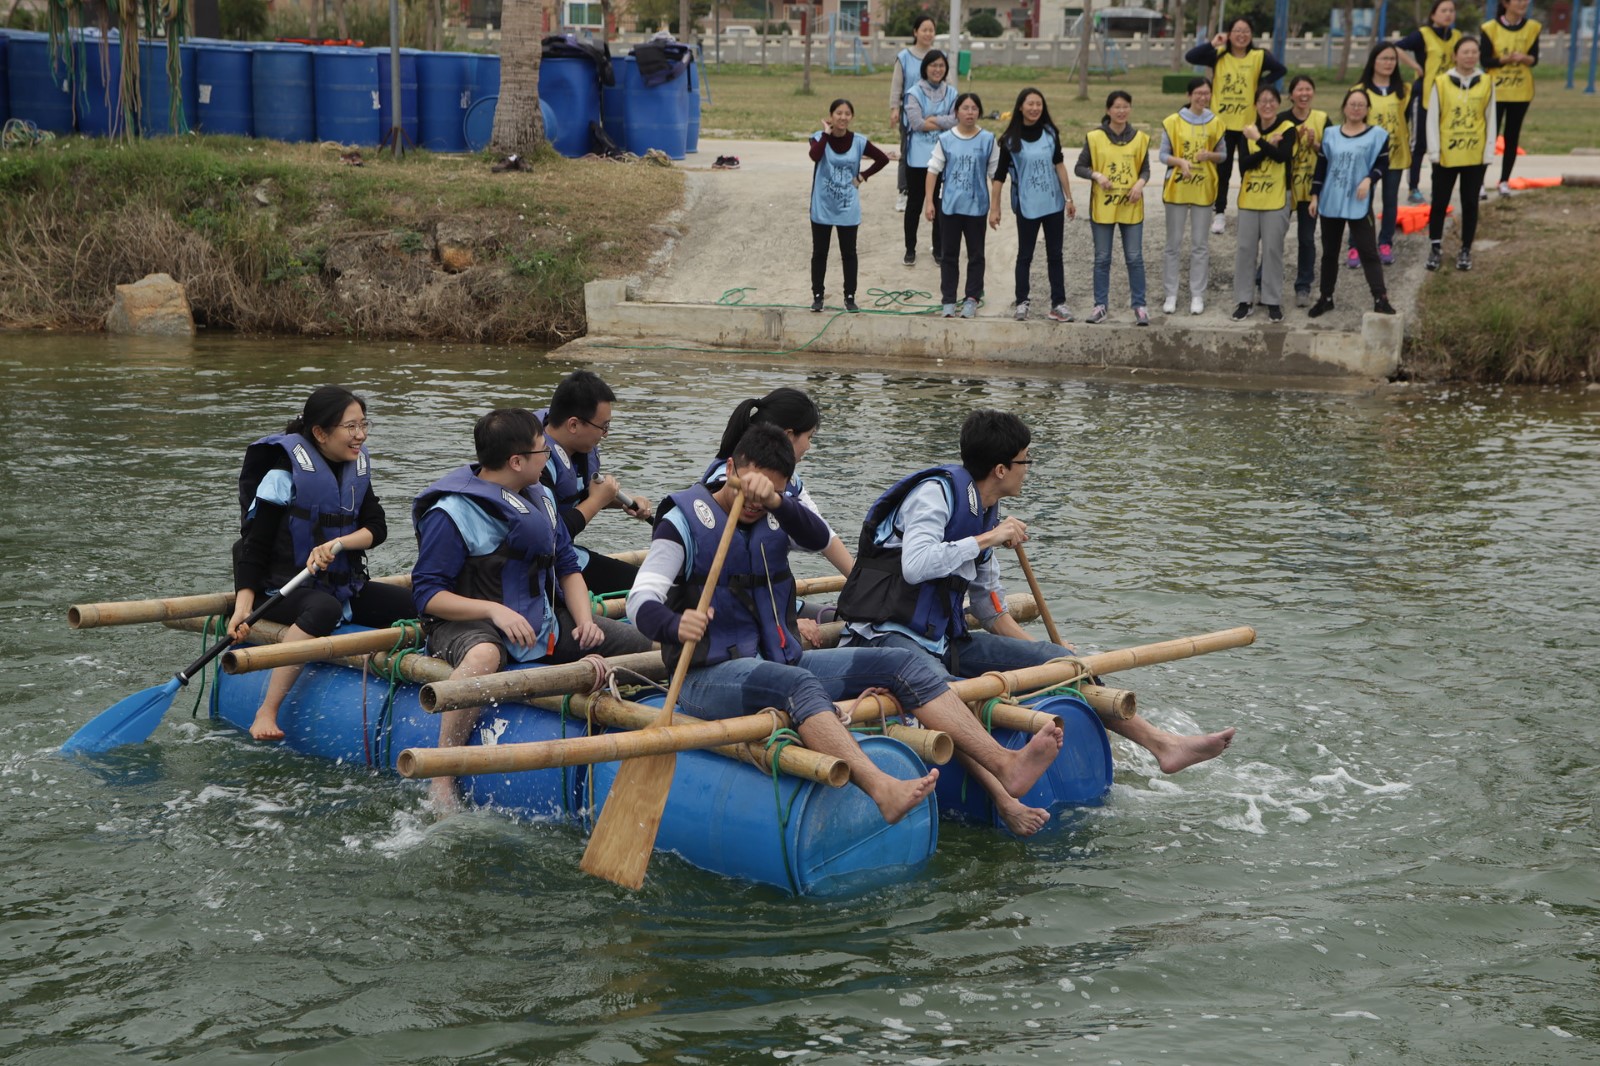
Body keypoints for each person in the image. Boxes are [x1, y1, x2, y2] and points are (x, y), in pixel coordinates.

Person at [626, 423, 1067, 835]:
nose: (756, 502)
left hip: (781, 662)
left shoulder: (777, 514)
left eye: (773, 491)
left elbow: (819, 538)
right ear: (730, 468)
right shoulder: (682, 520)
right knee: (797, 684)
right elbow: (639, 600)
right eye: (750, 486)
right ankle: (881, 787)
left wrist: (779, 503)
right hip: (707, 678)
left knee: (902, 663)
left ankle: (1005, 763)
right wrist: (674, 623)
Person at [837, 409, 1236, 779]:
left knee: (1062, 662)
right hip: (886, 639)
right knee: (945, 690)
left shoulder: (987, 513)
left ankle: (1163, 744)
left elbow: (990, 610)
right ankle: (1002, 779)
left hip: (942, 642)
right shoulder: (935, 494)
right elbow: (916, 565)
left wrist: (1045, 657)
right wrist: (989, 538)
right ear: (1001, 469)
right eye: (1025, 460)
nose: (1028, 469)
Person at [412, 408, 654, 810]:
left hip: (539, 622)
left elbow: (568, 567)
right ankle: (443, 775)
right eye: (543, 450)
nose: (550, 457)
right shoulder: (452, 513)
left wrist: (584, 623)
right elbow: (427, 594)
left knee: (645, 646)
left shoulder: (542, 498)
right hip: (468, 623)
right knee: (485, 655)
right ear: (516, 461)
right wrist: (494, 612)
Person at [229, 387, 414, 742]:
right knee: (323, 609)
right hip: (283, 589)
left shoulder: (355, 467)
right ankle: (267, 710)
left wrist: (337, 543)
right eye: (351, 427)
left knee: (416, 603)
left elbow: (377, 528)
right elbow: (253, 546)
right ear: (320, 432)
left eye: (364, 425)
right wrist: (243, 608)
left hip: (343, 585)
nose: (360, 435)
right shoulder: (282, 475)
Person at [537, 370, 653, 596]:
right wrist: (599, 500)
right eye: (604, 427)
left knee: (650, 583)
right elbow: (552, 537)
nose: (605, 434)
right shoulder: (536, 462)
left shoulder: (578, 450)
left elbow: (580, 496)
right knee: (648, 590)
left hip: (566, 555)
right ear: (573, 425)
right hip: (544, 566)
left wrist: (624, 501)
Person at [1183, 17, 1288, 234]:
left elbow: (1281, 70)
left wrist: (1261, 84)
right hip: (1221, 124)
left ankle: (1248, 209)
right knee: (1223, 170)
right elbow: (1191, 57)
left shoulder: (1259, 56)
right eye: (1237, 31)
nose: (1241, 35)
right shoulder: (1219, 54)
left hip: (1247, 126)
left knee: (1248, 169)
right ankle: (1219, 212)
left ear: (1251, 34)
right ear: (1229, 34)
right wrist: (1213, 43)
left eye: (1246, 31)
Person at [1307, 89, 1399, 318]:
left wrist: (1369, 179)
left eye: (1361, 105)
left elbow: (1383, 164)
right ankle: (1326, 298)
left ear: (1367, 110)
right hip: (1331, 200)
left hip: (1359, 202)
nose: (1356, 108)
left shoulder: (1377, 135)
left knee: (1368, 251)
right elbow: (1321, 167)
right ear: (1344, 107)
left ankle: (1380, 298)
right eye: (1352, 104)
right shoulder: (1330, 134)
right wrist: (1314, 195)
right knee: (1330, 253)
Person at [989, 87, 1078, 323]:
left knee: (1055, 255)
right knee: (1025, 256)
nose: (1035, 108)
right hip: (1027, 206)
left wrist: (1069, 198)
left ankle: (1058, 304)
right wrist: (994, 208)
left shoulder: (1050, 133)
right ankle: (1022, 302)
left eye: (1039, 104)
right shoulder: (1010, 140)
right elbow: (999, 176)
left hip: (1053, 203)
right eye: (1030, 104)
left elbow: (1059, 164)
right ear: (1020, 107)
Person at [808, 98, 893, 314]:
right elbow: (814, 156)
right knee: (820, 252)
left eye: (847, 114)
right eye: (838, 113)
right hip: (822, 206)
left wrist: (863, 176)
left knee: (849, 253)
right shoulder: (818, 138)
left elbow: (882, 159)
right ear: (831, 116)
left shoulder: (859, 141)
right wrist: (826, 134)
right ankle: (817, 296)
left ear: (852, 117)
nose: (843, 117)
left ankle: (850, 296)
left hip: (848, 207)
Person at [1075, 90, 1150, 326]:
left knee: (1134, 258)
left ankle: (1140, 306)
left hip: (1131, 206)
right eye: (1117, 107)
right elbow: (1079, 167)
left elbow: (1145, 169)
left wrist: (1139, 184)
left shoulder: (1140, 138)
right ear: (1108, 110)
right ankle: (1100, 305)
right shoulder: (1095, 137)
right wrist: (1096, 175)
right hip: (1103, 207)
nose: (1121, 111)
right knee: (1102, 258)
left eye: (1125, 106)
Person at [1425, 36, 1497, 272]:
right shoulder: (1441, 82)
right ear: (1455, 55)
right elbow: (1432, 119)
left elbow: (1491, 119)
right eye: (1465, 52)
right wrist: (1434, 152)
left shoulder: (1486, 82)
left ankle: (1465, 248)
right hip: (1446, 155)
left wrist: (1488, 152)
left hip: (1475, 155)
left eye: (1474, 52)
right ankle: (1435, 247)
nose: (1470, 56)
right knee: (1439, 202)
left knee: (1470, 202)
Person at [925, 91, 998, 319]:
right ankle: (948, 300)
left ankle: (971, 298)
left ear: (979, 112)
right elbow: (933, 170)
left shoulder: (988, 139)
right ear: (956, 112)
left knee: (976, 255)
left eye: (974, 108)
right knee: (949, 255)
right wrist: (929, 202)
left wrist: (995, 207)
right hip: (950, 207)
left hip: (977, 208)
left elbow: (995, 175)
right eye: (965, 108)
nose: (970, 112)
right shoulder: (946, 139)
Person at [1159, 77, 1226, 316]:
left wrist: (1209, 156)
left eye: (1206, 93)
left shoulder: (1216, 122)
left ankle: (1197, 294)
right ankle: (1171, 293)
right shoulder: (1172, 122)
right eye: (1198, 93)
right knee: (1173, 244)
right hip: (1177, 188)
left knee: (1200, 245)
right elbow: (1162, 155)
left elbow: (1223, 155)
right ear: (1189, 95)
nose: (1202, 97)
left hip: (1203, 188)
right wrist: (1180, 162)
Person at [1230, 85, 1297, 323]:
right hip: (1250, 198)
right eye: (1262, 101)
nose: (1267, 105)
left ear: (1278, 103)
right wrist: (1266, 145)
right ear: (1255, 105)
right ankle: (1243, 300)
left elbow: (1282, 157)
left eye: (1271, 101)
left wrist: (1259, 141)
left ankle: (1272, 300)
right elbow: (1244, 165)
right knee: (1245, 249)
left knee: (1272, 250)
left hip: (1276, 199)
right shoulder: (1247, 130)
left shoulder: (1287, 128)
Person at [1352, 41, 1412, 265]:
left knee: (1390, 201)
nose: (1389, 63)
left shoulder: (1404, 91)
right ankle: (1355, 245)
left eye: (1392, 59)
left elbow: (1407, 120)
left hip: (1395, 155)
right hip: (1366, 158)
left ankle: (1385, 242)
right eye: (1384, 58)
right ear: (1373, 61)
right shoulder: (1359, 91)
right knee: (1361, 200)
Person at [1397, 0, 1461, 204]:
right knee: (1419, 144)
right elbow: (1396, 48)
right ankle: (1413, 187)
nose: (1448, 14)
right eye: (1443, 10)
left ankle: (1438, 187)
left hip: (1448, 98)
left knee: (1442, 144)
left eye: (1451, 10)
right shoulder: (1423, 35)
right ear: (1433, 15)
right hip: (1424, 96)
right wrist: (1416, 66)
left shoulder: (1457, 37)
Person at [1481, 0, 1541, 198]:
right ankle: (1479, 182)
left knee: (1512, 136)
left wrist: (1524, 58)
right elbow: (1484, 60)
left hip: (1520, 91)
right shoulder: (1490, 28)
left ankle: (1504, 181)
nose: (1523, 3)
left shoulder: (1533, 28)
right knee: (1489, 137)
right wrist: (1504, 60)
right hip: (1496, 91)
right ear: (1506, 3)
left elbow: (1534, 58)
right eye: (1518, 0)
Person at [903, 49, 958, 268]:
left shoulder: (952, 93)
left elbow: (956, 121)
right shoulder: (913, 92)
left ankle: (938, 248)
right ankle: (910, 248)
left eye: (941, 65)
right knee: (915, 204)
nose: (937, 69)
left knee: (940, 204)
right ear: (925, 67)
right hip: (918, 158)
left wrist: (932, 119)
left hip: (944, 156)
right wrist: (943, 121)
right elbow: (916, 123)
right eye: (933, 65)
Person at [1284, 75, 1328, 308]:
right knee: (1273, 238)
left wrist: (1314, 144)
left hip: (1311, 190)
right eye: (1299, 89)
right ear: (1291, 94)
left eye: (1308, 89)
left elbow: (1331, 153)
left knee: (1307, 239)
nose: (1304, 94)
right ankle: (1263, 281)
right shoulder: (1282, 120)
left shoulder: (1322, 119)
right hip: (1283, 189)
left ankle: (1303, 286)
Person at [889, 15, 937, 213]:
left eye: (931, 30)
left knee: (935, 153)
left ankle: (932, 192)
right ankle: (904, 191)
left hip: (935, 114)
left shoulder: (938, 56)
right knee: (907, 152)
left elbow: (948, 83)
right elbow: (897, 84)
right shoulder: (904, 57)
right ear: (915, 32)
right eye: (924, 29)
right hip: (910, 113)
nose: (928, 34)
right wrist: (894, 108)